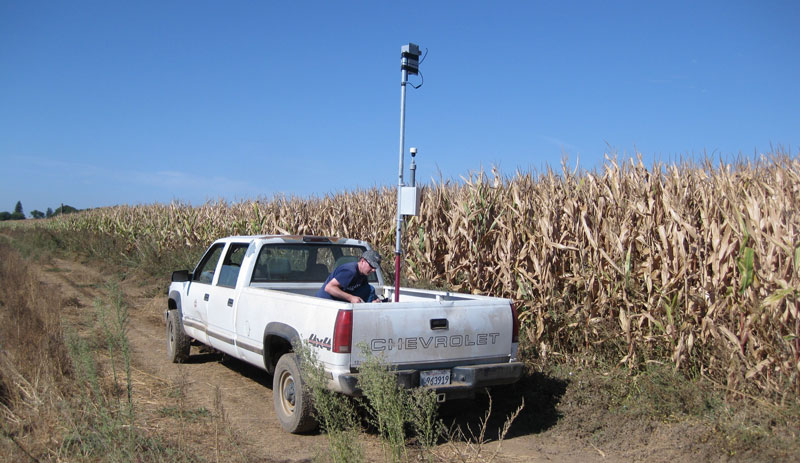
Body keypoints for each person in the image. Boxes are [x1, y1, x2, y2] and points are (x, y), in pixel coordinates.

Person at [315, 250, 384, 303]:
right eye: (371, 266)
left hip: (339, 302)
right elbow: (329, 287)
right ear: (362, 261)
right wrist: (351, 298)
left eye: (375, 267)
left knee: (370, 289)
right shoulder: (350, 271)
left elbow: (367, 291)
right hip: (326, 303)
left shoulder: (363, 274)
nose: (374, 270)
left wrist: (373, 301)